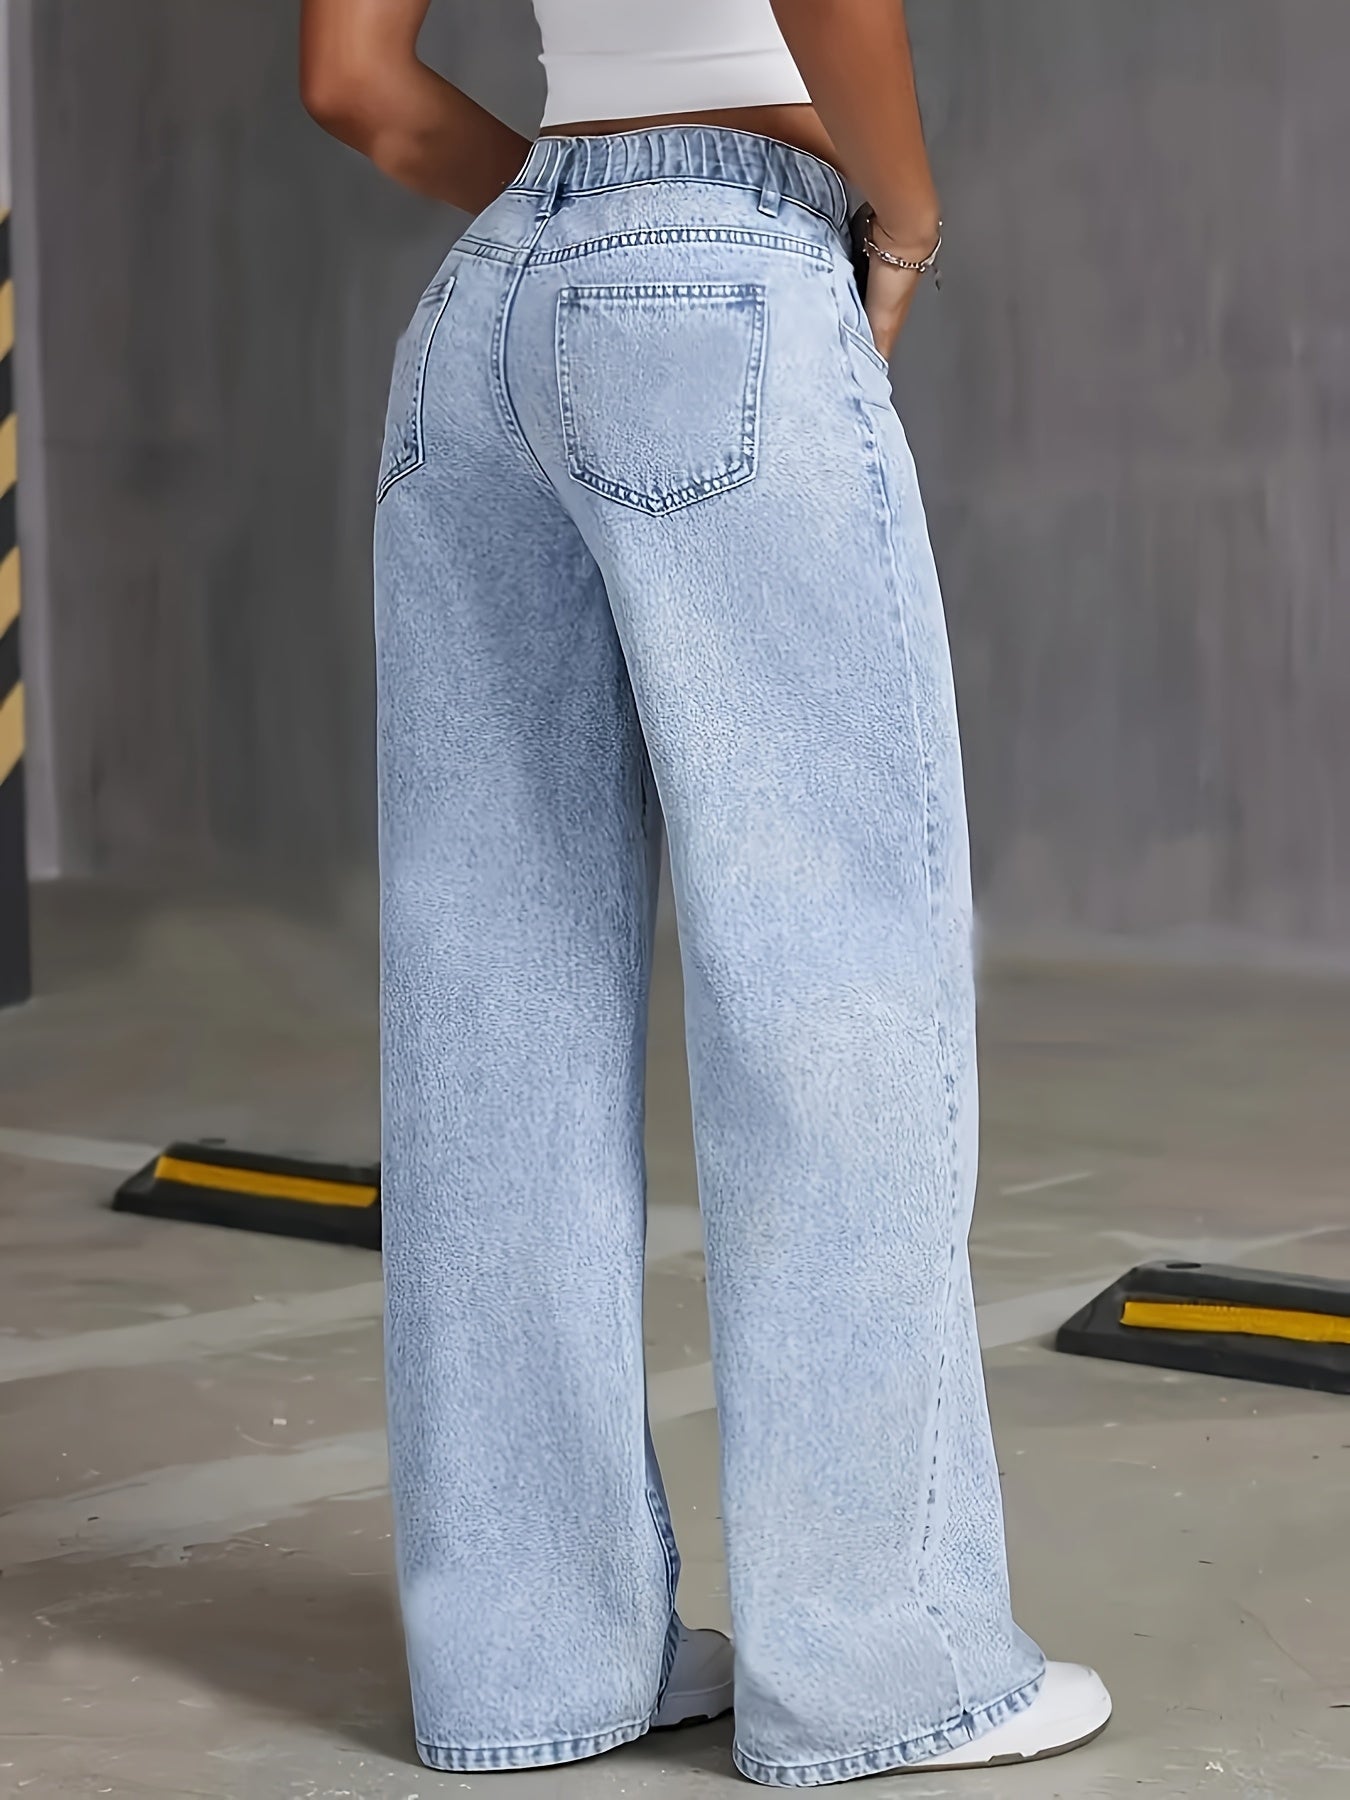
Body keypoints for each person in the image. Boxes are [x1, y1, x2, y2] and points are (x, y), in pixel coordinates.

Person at [299, 0, 1111, 1784]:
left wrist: (572, 232)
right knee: (830, 985)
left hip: (483, 315)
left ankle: (527, 1668)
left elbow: (351, 81)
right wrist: (903, 222)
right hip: (724, 274)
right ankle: (884, 1671)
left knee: (492, 1017)